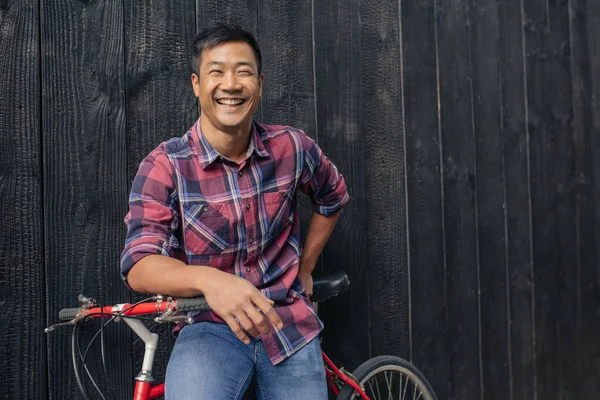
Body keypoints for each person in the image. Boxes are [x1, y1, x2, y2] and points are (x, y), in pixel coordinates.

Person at [120, 23, 349, 400]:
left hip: (288, 321)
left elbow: (333, 196)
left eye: (243, 71)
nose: (231, 84)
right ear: (197, 84)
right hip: (208, 327)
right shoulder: (166, 165)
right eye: (217, 72)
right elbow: (139, 265)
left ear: (259, 83)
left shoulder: (292, 147)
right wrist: (213, 282)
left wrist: (305, 268)